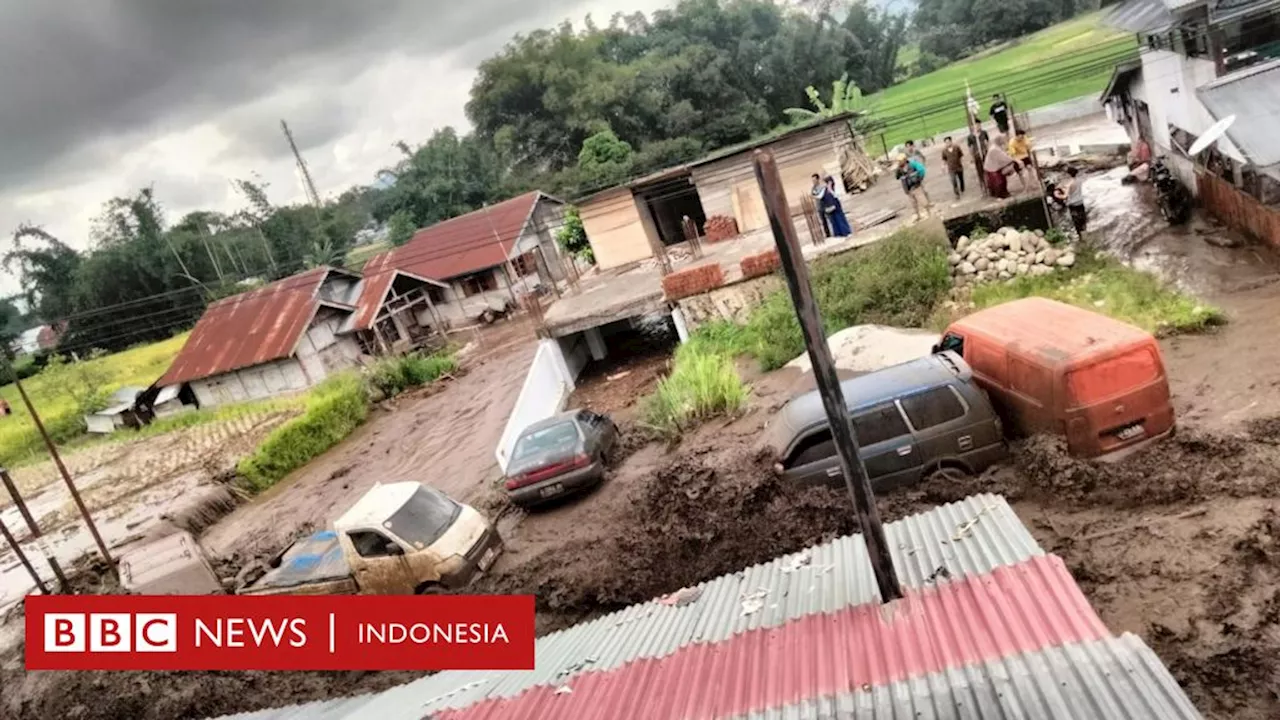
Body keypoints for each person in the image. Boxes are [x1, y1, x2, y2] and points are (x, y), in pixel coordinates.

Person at [895, 154, 933, 221]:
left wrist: (919, 180)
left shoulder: (912, 165)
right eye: (898, 161)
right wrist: (898, 170)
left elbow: (921, 170)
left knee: (923, 200)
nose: (899, 162)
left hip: (916, 186)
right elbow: (897, 177)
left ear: (904, 160)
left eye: (900, 161)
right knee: (913, 203)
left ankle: (929, 212)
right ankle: (918, 215)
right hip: (908, 188)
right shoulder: (899, 169)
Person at [1055, 167, 1087, 236]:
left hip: (1073, 204)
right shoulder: (1079, 181)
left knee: (1077, 222)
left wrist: (1057, 195)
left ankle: (1080, 237)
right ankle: (1085, 234)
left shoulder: (1069, 184)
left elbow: (1065, 196)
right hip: (1080, 202)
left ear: (1069, 174)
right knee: (1082, 220)